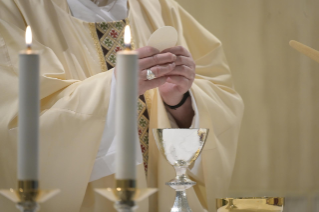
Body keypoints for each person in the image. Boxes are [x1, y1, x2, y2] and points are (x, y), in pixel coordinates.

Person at [0, 0, 244, 211]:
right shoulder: (13, 11)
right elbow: (14, 121)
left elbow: (223, 98)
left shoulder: (160, 8)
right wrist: (115, 88)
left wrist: (179, 100)